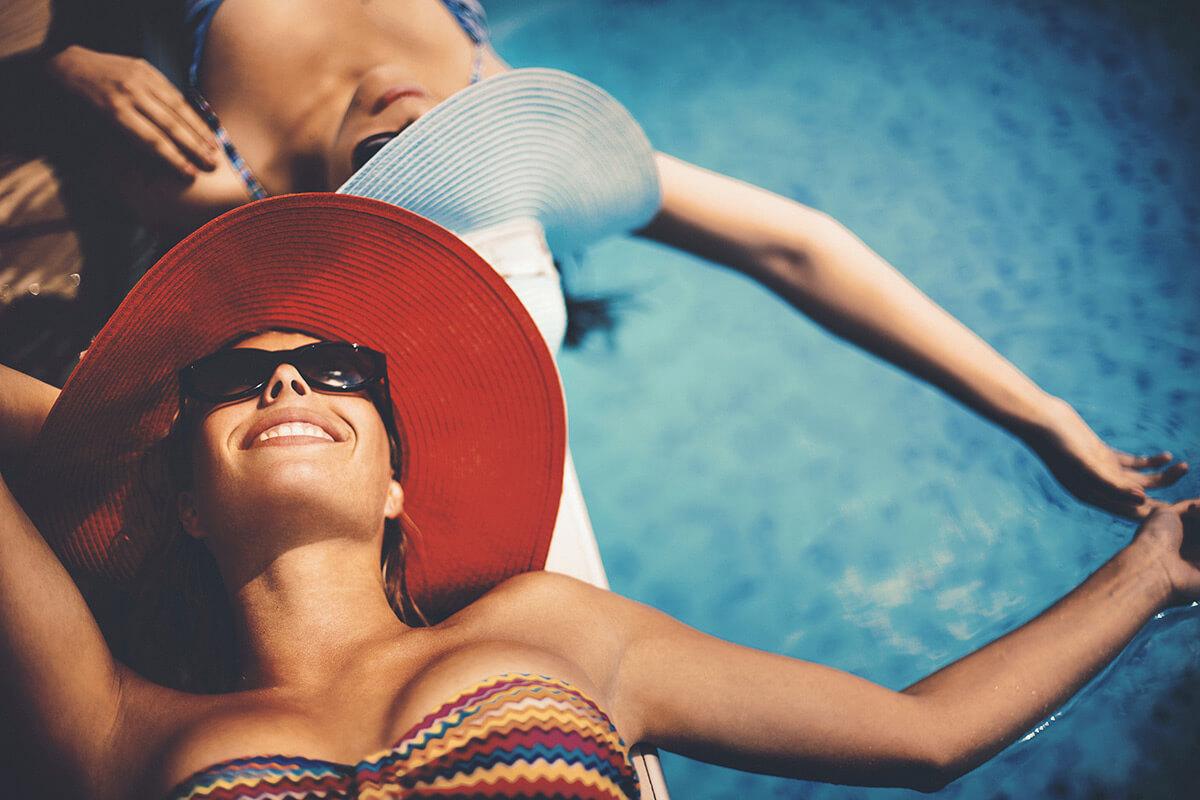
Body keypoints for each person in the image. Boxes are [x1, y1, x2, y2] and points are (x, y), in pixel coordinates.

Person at [1, 193, 1197, 799]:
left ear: (399, 482)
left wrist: (1153, 567)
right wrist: (103, 429)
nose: (286, 378)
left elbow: (925, 735)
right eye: (234, 379)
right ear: (184, 495)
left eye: (339, 371)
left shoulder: (552, 626)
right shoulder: (113, 718)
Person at [32, 0, 1188, 524]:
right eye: (450, 152)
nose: (413, 109)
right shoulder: (505, 117)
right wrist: (1043, 416)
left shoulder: (204, 178)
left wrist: (68, 62)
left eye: (405, 158)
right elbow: (795, 242)